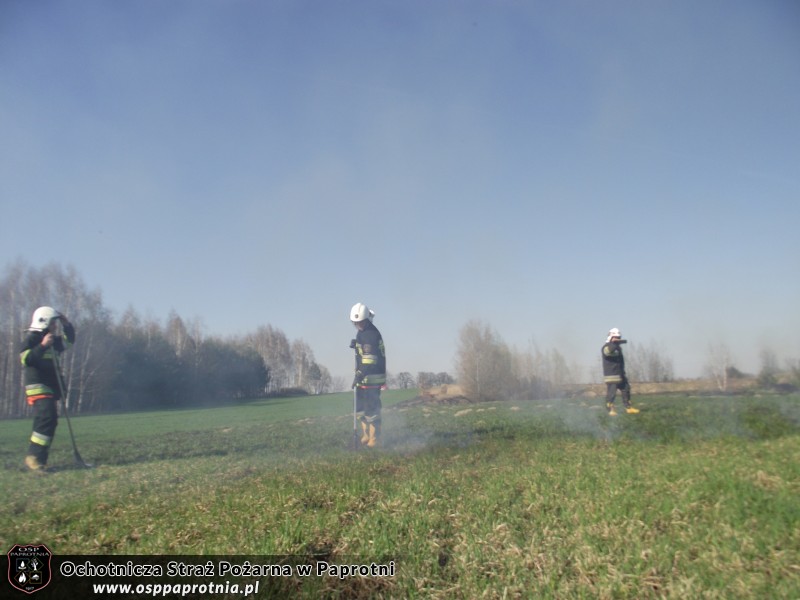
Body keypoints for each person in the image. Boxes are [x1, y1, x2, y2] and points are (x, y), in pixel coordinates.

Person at [20, 306, 76, 471]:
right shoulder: (33, 338)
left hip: (51, 387)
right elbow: (25, 359)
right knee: (47, 419)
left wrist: (67, 325)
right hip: (38, 387)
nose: (55, 326)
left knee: (50, 421)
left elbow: (68, 342)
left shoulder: (53, 339)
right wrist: (43, 346)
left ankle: (38, 460)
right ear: (43, 321)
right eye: (53, 323)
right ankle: (34, 457)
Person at [349, 303, 386, 447]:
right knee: (360, 409)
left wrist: (358, 375)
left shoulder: (370, 334)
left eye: (360, 322)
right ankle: (366, 435)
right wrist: (357, 344)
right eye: (355, 322)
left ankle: (375, 439)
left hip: (372, 378)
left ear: (366, 319)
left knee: (372, 410)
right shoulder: (363, 332)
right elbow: (363, 350)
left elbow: (369, 360)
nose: (358, 325)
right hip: (363, 378)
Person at [601, 327, 639, 416]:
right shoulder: (606, 347)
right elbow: (608, 352)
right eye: (616, 338)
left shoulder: (618, 348)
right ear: (611, 337)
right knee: (612, 394)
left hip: (620, 374)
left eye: (619, 337)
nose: (618, 339)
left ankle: (628, 408)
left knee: (626, 389)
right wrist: (614, 344)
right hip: (611, 376)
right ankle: (610, 410)